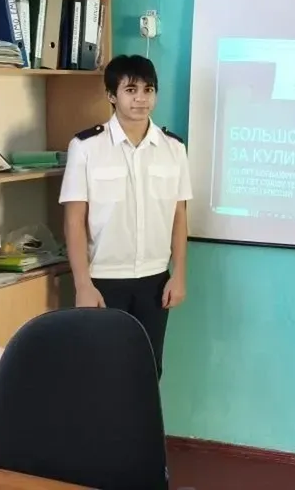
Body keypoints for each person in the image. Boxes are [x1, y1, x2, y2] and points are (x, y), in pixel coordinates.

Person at [59, 54, 192, 379]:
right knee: (102, 371)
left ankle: (141, 418)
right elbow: (74, 220)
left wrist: (179, 274)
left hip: (154, 280)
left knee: (148, 370)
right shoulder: (86, 146)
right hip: (104, 280)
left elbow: (179, 216)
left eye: (148, 90)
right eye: (131, 90)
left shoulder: (174, 148)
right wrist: (83, 284)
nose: (141, 99)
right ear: (111, 95)